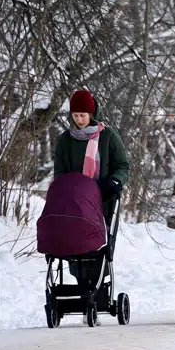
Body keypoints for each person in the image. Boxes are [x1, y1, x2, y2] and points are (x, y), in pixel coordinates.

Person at [53, 89, 130, 324]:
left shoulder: (107, 136)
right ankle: (82, 288)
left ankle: (97, 293)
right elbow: (59, 171)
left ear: (92, 113)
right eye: (75, 115)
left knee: (98, 249)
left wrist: (115, 181)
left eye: (83, 115)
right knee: (75, 248)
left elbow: (123, 164)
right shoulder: (65, 141)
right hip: (74, 205)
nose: (79, 120)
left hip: (102, 202)